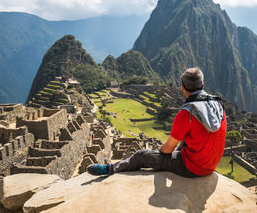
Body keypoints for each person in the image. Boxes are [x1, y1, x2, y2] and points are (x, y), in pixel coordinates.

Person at [87, 67, 227, 177]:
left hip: (193, 168)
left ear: (182, 87)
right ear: (202, 85)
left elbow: (167, 149)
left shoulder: (186, 113)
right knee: (184, 141)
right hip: (211, 165)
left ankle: (109, 168)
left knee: (141, 155)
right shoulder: (218, 106)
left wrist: (160, 153)